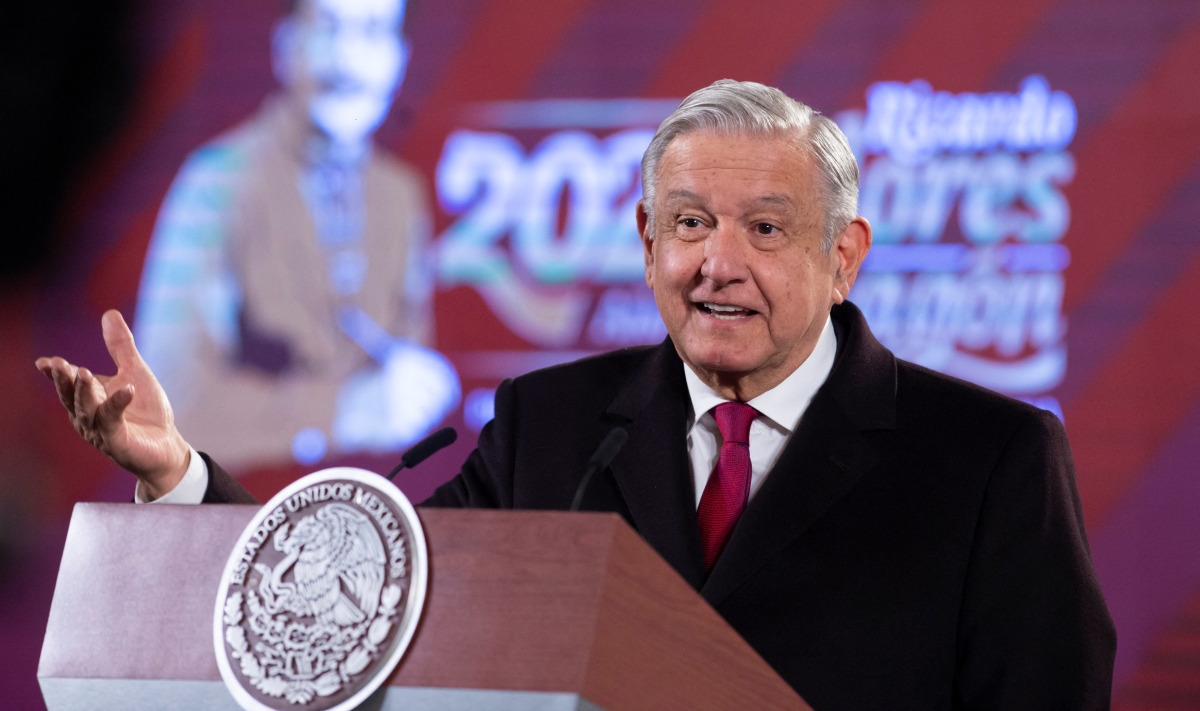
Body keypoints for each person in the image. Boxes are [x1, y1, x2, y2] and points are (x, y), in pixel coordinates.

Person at [38, 80, 1115, 708]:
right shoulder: (550, 427)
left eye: (766, 229)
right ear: (647, 244)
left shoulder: (989, 459)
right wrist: (180, 475)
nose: (719, 263)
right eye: (689, 224)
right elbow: (364, 608)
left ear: (844, 258)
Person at [132, 0, 459, 471]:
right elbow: (162, 409)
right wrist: (343, 411)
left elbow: (404, 395)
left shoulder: (400, 197)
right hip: (238, 510)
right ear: (285, 42)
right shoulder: (217, 182)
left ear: (400, 59)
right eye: (328, 26)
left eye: (373, 31)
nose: (349, 60)